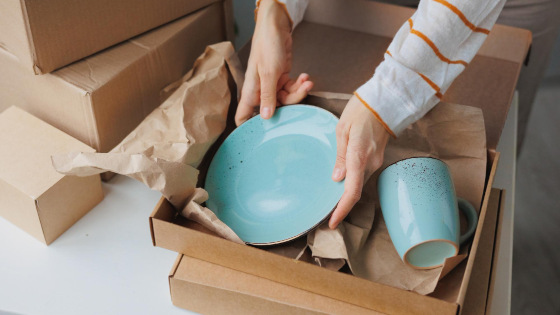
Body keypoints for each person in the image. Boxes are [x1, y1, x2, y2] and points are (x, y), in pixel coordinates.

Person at [236, 0, 560, 230]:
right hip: (358, 12)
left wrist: (387, 101)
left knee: (492, 180)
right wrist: (274, 12)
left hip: (497, 12)